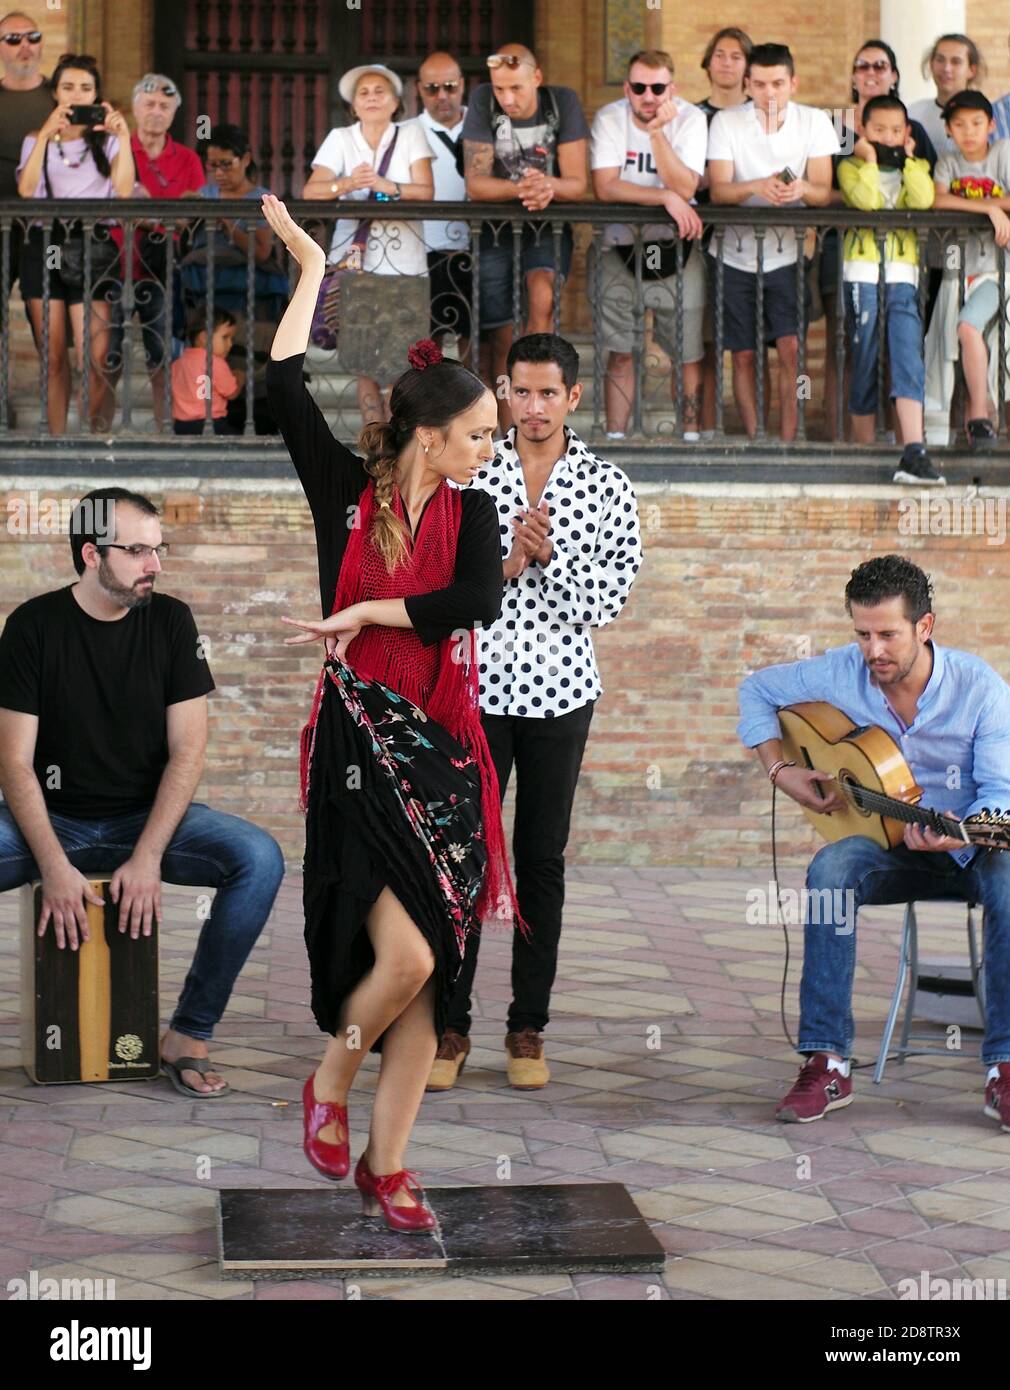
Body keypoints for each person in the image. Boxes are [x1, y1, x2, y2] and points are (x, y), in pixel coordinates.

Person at [261, 192, 522, 1232]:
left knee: (430, 976)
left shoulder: (475, 512)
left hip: (446, 745)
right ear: (427, 430)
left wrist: (368, 603)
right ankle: (329, 1081)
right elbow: (283, 385)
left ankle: (390, 1161)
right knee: (401, 952)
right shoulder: (343, 492)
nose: (487, 450)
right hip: (359, 741)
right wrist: (308, 267)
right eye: (475, 435)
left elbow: (474, 601)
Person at [0, 487, 285, 1097]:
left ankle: (189, 1032)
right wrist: (52, 864)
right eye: (137, 551)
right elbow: (14, 763)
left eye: (159, 550)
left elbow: (189, 752)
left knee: (258, 859)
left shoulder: (173, 622)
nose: (154, 565)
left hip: (146, 821)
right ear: (89, 555)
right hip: (54, 823)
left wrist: (150, 854)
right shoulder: (33, 627)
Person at [428, 333, 643, 1093]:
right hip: (476, 691)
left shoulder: (607, 486)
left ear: (574, 397)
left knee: (540, 861)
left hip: (560, 694)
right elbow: (440, 588)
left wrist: (549, 563)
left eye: (549, 393)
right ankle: (447, 1029)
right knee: (462, 858)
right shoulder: (467, 472)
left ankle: (528, 1027)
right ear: (504, 390)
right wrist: (504, 567)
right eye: (521, 391)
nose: (533, 407)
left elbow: (608, 602)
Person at [737, 554, 1010, 1133]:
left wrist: (960, 829)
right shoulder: (841, 671)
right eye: (862, 634)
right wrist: (781, 770)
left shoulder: (979, 687)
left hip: (971, 847)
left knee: (1009, 884)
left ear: (925, 627)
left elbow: (1000, 796)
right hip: (884, 848)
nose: (874, 650)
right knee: (830, 871)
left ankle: (1003, 1070)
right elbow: (756, 690)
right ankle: (828, 1061)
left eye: (888, 634)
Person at [707, 42, 839, 442]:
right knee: (743, 354)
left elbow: (823, 190)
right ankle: (755, 438)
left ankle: (788, 439)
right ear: (747, 84)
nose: (769, 93)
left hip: (789, 254)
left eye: (778, 83)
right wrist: (757, 187)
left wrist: (799, 189)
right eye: (760, 84)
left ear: (793, 83)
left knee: (792, 351)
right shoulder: (727, 122)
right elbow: (718, 191)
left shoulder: (815, 121)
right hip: (733, 254)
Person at [461, 43, 589, 430]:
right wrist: (524, 189)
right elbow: (476, 184)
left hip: (546, 227)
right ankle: (509, 435)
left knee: (542, 297)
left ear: (537, 77)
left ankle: (543, 413)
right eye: (500, 89)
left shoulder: (561, 102)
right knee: (500, 332)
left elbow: (578, 183)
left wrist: (548, 185)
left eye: (516, 88)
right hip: (496, 229)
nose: (507, 98)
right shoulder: (483, 101)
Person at [303, 63, 434, 425]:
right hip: (353, 264)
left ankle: (399, 437)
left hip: (405, 265)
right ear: (353, 106)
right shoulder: (341, 138)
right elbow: (311, 192)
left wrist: (386, 185)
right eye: (364, 92)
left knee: (399, 361)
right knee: (364, 361)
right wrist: (346, 184)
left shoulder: (411, 135)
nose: (372, 97)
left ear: (395, 102)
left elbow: (427, 192)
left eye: (380, 91)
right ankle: (375, 439)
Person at [821, 40, 938, 442]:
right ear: (853, 75)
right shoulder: (835, 123)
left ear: (894, 74)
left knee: (900, 346)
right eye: (863, 65)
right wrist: (855, 187)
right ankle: (846, 438)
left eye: (881, 65)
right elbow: (829, 185)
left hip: (899, 260)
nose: (871, 72)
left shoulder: (913, 131)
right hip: (846, 249)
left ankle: (900, 439)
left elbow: (925, 194)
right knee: (849, 345)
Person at [16, 52, 135, 435]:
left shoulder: (108, 143)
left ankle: (93, 437)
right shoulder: (37, 138)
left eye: (86, 88)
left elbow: (123, 192)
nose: (77, 94)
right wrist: (46, 134)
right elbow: (26, 188)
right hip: (44, 243)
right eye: (68, 87)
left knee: (96, 356)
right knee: (53, 356)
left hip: (93, 243)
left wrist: (124, 138)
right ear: (56, 93)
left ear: (97, 95)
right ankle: (57, 442)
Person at [590, 49, 707, 440]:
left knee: (685, 352)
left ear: (672, 89)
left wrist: (657, 133)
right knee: (621, 349)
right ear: (627, 88)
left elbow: (687, 186)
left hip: (677, 248)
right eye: (639, 87)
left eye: (658, 88)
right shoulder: (610, 117)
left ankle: (688, 437)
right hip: (620, 247)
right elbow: (605, 187)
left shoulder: (690, 119)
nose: (648, 96)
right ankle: (617, 438)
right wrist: (663, 198)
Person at [837, 95, 940, 485]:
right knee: (864, 359)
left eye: (896, 130)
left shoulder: (918, 166)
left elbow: (924, 198)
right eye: (879, 129)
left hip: (903, 274)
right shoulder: (849, 166)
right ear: (862, 131)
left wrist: (910, 160)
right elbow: (864, 201)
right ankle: (864, 453)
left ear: (907, 133)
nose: (888, 136)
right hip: (862, 272)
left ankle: (914, 450)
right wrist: (868, 159)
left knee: (907, 355)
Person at [180, 123, 288, 435]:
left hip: (251, 293)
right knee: (209, 359)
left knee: (247, 359)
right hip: (208, 290)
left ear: (246, 159)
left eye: (226, 164)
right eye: (212, 165)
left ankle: (249, 421)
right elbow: (178, 225)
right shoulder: (206, 192)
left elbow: (263, 251)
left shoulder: (261, 197)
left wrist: (223, 220)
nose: (218, 172)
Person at [925, 91, 1010, 452]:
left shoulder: (1003, 152)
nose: (969, 131)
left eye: (977, 123)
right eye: (958, 124)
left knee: (969, 328)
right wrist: (990, 210)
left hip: (995, 270)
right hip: (955, 272)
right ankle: (973, 422)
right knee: (949, 349)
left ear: (991, 125)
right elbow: (935, 198)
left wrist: (986, 207)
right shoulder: (947, 162)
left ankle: (980, 415)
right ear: (947, 129)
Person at [128, 72, 204, 430]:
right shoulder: (117, 150)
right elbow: (107, 201)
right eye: (149, 104)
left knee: (162, 355)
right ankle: (96, 436)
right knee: (100, 356)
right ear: (135, 108)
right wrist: (165, 214)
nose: (156, 111)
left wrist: (142, 212)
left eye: (164, 105)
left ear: (174, 112)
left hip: (163, 270)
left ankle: (164, 432)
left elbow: (191, 217)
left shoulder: (188, 158)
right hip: (114, 265)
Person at [695, 26, 753, 437]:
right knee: (706, 341)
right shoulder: (690, 115)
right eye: (719, 54)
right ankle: (706, 426)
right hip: (700, 238)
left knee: (751, 346)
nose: (727, 62)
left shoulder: (760, 115)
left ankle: (755, 431)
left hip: (751, 243)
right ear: (708, 61)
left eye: (736, 55)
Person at [410, 50, 472, 364]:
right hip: (424, 254)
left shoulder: (483, 128)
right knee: (424, 353)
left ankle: (480, 415)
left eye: (450, 86)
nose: (442, 95)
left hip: (477, 251)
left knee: (477, 352)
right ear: (419, 89)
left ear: (462, 85)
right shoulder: (406, 133)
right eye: (432, 88)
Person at [0, 11, 52, 307]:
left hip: (48, 232)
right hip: (0, 228)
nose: (25, 45)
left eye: (33, 37)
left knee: (54, 327)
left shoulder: (61, 97)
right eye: (13, 39)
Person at [909, 34, 985, 159]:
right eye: (940, 60)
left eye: (956, 62)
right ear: (931, 64)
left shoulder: (984, 116)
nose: (946, 68)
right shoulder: (913, 113)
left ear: (972, 70)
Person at [171, 306, 244, 434]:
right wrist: (240, 378)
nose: (230, 344)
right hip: (212, 424)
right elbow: (231, 393)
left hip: (181, 425)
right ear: (204, 337)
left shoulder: (178, 364)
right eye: (225, 338)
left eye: (232, 339)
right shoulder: (215, 362)